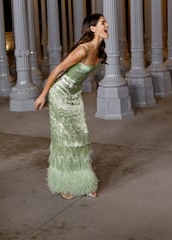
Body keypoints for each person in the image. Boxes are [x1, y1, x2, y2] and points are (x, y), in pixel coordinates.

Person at [34, 13, 109, 200]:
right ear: (93, 28)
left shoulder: (99, 52)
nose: (107, 24)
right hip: (60, 94)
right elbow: (58, 69)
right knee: (65, 139)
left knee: (80, 136)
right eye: (103, 22)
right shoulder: (83, 50)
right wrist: (43, 95)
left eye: (106, 22)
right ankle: (62, 183)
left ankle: (84, 181)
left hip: (74, 96)